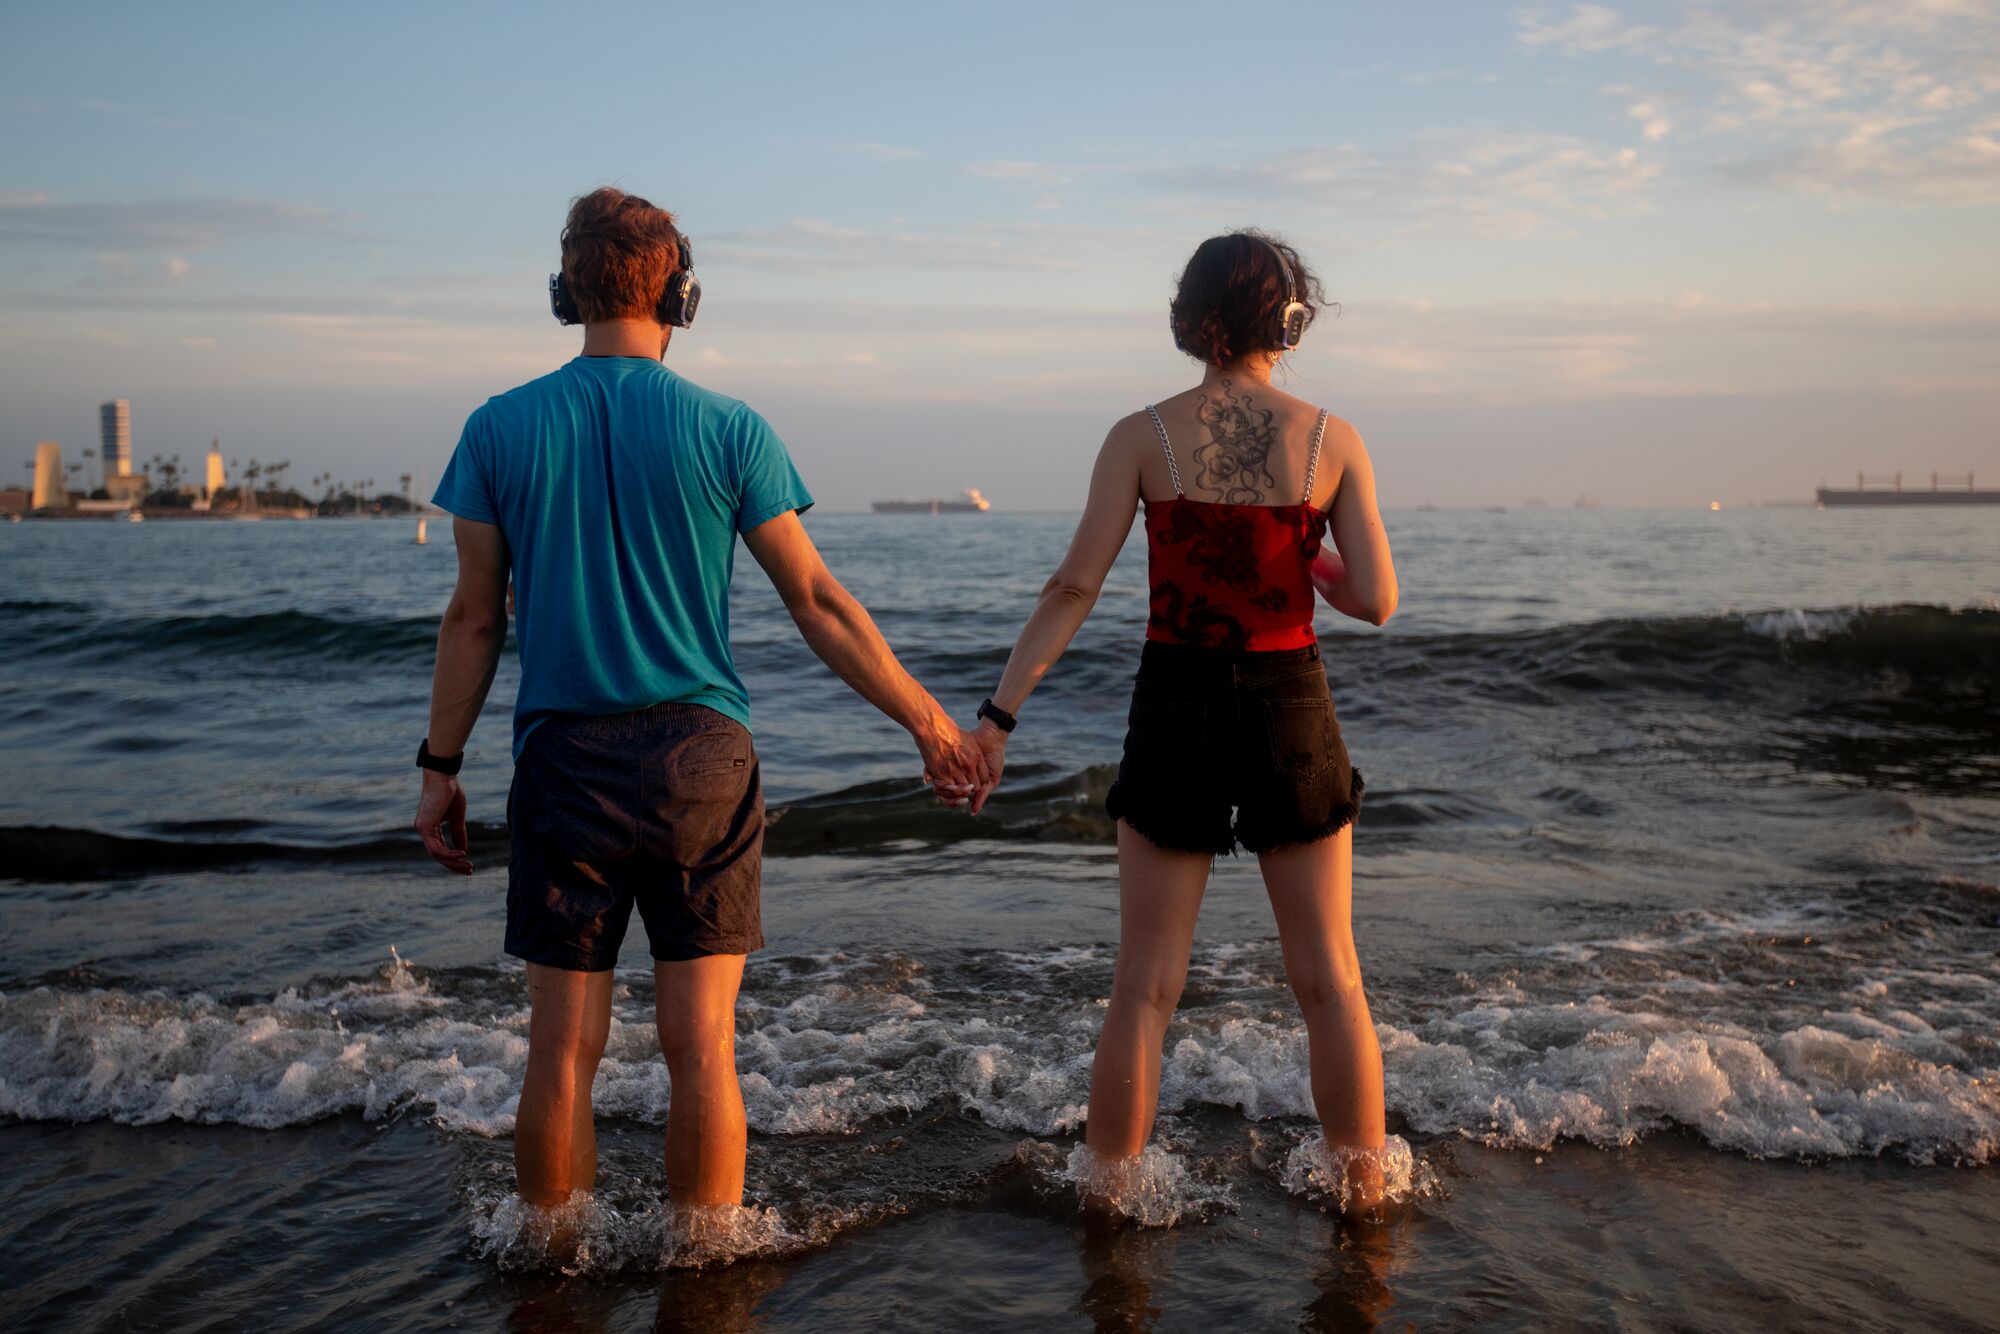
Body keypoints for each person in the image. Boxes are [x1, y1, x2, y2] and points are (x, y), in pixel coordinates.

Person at [413, 186, 986, 1221]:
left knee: (561, 1050)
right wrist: (928, 719)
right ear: (683, 294)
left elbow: (472, 619)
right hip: (702, 761)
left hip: (562, 757)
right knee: (702, 1048)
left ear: (562, 291)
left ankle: (549, 1267)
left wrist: (437, 765)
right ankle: (706, 1266)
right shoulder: (730, 427)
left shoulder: (497, 427)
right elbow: (816, 599)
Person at [963, 231, 1398, 1210]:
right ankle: (1361, 1194)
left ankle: (1110, 1192)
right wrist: (1311, 561)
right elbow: (1374, 596)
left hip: (1175, 700)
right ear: (1288, 318)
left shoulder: (1140, 435)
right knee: (1328, 979)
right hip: (1289, 698)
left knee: (1144, 984)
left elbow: (1075, 583)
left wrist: (997, 714)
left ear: (1188, 319)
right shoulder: (1331, 439)